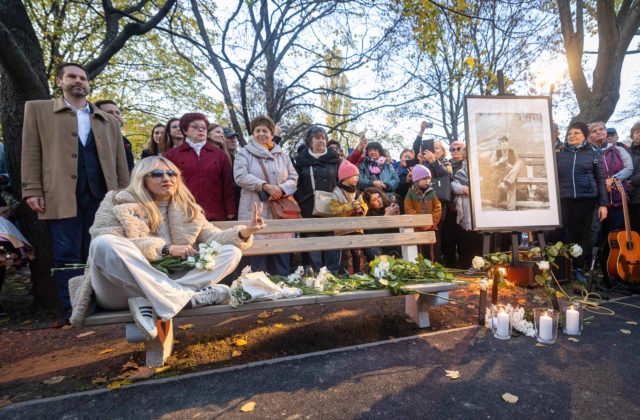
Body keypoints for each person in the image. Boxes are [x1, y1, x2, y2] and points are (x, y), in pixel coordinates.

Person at [68, 156, 264, 339]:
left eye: (172, 174)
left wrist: (244, 232)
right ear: (141, 178)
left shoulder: (188, 209)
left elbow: (213, 237)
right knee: (103, 243)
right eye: (157, 174)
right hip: (120, 289)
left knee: (232, 251)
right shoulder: (116, 200)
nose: (166, 178)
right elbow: (104, 239)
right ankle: (185, 299)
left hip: (171, 281)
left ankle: (161, 300)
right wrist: (165, 249)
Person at [21, 62, 130, 313]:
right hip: (60, 194)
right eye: (72, 76)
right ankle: (75, 308)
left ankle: (102, 303)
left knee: (99, 251)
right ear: (60, 82)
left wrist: (125, 196)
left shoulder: (107, 120)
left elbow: (119, 162)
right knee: (67, 253)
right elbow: (30, 153)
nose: (79, 81)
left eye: (83, 77)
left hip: (103, 197)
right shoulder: (38, 110)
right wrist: (32, 189)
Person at [234, 115, 298, 276]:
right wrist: (264, 186)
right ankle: (257, 292)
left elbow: (293, 178)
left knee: (281, 256)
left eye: (265, 131)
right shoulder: (244, 153)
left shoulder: (283, 155)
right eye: (257, 130)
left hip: (280, 211)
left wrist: (280, 189)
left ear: (272, 134)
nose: (261, 134)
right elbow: (240, 176)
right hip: (254, 209)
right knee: (257, 258)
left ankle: (283, 289)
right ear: (252, 133)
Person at [550, 121, 608, 282]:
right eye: (569, 133)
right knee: (558, 233)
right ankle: (557, 268)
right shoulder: (559, 155)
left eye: (576, 133)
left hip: (587, 200)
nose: (572, 135)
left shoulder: (594, 154)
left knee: (582, 235)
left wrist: (603, 204)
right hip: (563, 199)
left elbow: (601, 180)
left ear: (584, 136)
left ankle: (577, 268)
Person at [165, 113, 236, 222]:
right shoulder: (172, 155)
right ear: (185, 130)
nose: (201, 130)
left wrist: (230, 209)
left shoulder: (219, 155)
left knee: (217, 239)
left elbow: (227, 184)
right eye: (195, 127)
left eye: (203, 127)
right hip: (184, 213)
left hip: (215, 213)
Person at [588, 121, 633, 283]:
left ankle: (614, 270)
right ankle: (593, 271)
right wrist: (601, 183)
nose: (599, 132)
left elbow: (629, 169)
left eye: (602, 129)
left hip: (617, 199)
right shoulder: (588, 152)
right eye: (594, 131)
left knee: (614, 237)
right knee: (595, 237)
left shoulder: (619, 149)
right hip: (597, 202)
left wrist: (611, 180)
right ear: (589, 136)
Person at [294, 125, 341, 273]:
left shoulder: (335, 160)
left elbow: (342, 181)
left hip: (332, 208)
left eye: (323, 138)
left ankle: (333, 278)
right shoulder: (301, 161)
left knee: (332, 245)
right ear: (309, 141)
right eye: (317, 138)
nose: (321, 140)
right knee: (313, 246)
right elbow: (296, 184)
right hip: (309, 209)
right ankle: (317, 279)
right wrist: (303, 201)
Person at [330, 160, 368, 274]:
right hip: (343, 230)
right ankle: (343, 273)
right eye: (354, 176)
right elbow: (334, 210)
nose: (357, 178)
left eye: (358, 176)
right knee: (345, 254)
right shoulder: (337, 193)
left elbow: (364, 205)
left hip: (356, 228)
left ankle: (358, 272)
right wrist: (350, 207)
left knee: (357, 252)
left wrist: (361, 209)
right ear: (345, 177)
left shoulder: (357, 193)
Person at [403, 164, 441, 261]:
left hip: (431, 227)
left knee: (431, 250)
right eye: (424, 178)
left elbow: (437, 208)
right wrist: (420, 223)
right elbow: (409, 209)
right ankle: (420, 270)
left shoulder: (432, 192)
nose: (427, 181)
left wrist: (431, 222)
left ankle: (431, 268)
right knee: (419, 251)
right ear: (416, 180)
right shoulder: (410, 193)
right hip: (417, 229)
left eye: (429, 178)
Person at [450, 159, 483, 269]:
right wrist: (463, 189)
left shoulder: (481, 169)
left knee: (478, 239)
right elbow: (453, 186)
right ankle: (467, 263)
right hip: (465, 211)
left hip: (480, 208)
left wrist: (474, 190)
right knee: (466, 238)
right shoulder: (460, 172)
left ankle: (479, 265)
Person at [442, 140, 466, 267]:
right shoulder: (446, 164)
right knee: (449, 236)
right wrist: (450, 202)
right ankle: (450, 264)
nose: (455, 151)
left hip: (465, 204)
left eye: (459, 148)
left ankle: (465, 262)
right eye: (452, 149)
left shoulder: (469, 164)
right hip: (449, 205)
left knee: (464, 236)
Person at [94, 100, 135, 173]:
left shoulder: (126, 142)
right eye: (109, 112)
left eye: (118, 113)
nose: (115, 115)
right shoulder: (91, 140)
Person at [362, 187, 401, 261]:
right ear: (369, 204)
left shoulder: (389, 206)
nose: (379, 200)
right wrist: (386, 217)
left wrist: (397, 217)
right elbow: (371, 235)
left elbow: (397, 230)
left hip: (392, 241)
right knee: (372, 249)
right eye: (374, 200)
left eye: (379, 197)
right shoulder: (369, 214)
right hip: (377, 243)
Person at [489, 135, 523, 211]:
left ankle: (511, 209)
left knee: (519, 163)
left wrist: (511, 166)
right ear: (500, 144)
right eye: (502, 142)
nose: (504, 144)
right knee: (511, 179)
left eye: (505, 142)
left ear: (508, 143)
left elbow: (518, 164)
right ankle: (507, 181)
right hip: (501, 173)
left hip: (511, 173)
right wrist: (499, 162)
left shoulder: (512, 151)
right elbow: (491, 164)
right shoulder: (496, 152)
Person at [629, 122, 640, 233]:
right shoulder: (626, 152)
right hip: (631, 198)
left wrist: (631, 181)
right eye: (637, 132)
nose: (639, 134)